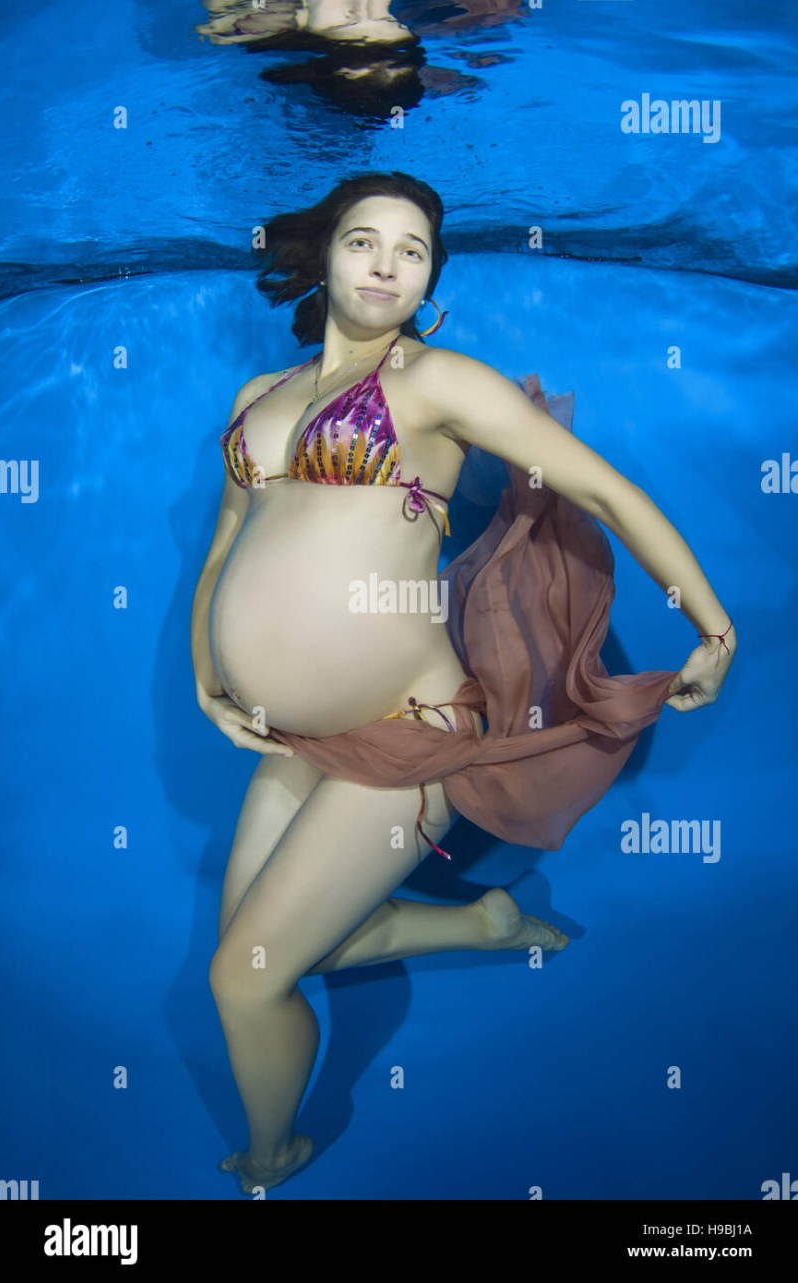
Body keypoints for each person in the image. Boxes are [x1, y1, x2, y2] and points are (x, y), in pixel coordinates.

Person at [190, 169, 736, 1194]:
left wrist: (711, 621)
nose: (387, 262)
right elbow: (227, 541)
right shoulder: (254, 400)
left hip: (407, 730)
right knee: (257, 950)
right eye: (364, 239)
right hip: (290, 735)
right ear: (325, 255)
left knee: (242, 978)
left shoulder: (434, 385)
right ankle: (477, 922)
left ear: (431, 276)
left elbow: (598, 486)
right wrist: (206, 677)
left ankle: (272, 1155)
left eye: (412, 248)